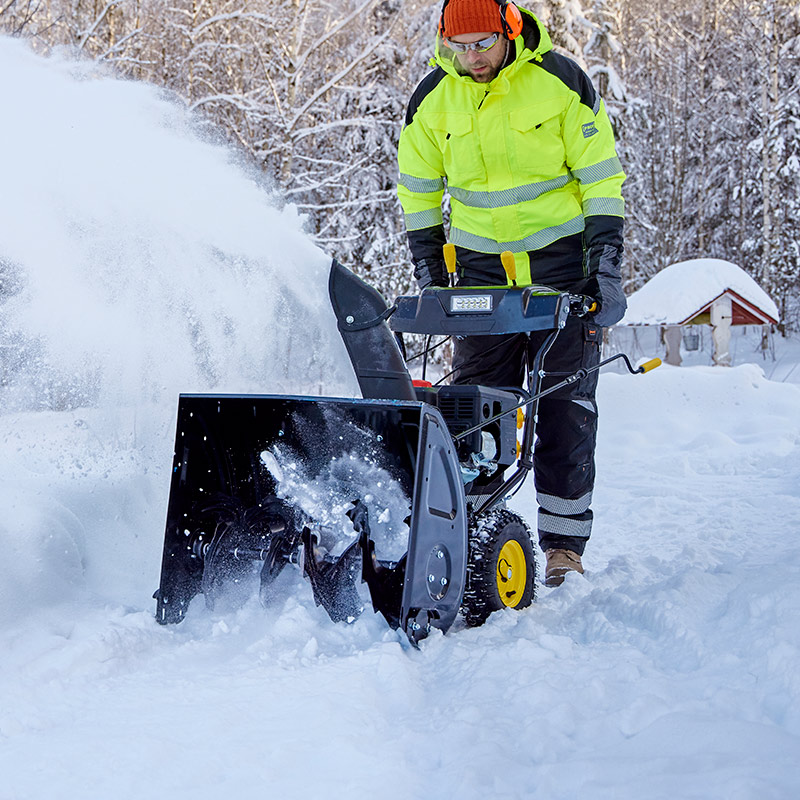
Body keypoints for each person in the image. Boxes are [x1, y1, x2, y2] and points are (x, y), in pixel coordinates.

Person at [396, 0, 627, 586]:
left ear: (509, 30)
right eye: (459, 46)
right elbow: (419, 192)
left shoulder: (560, 82)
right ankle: (470, 530)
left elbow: (601, 180)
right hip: (479, 277)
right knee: (477, 410)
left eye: (482, 44)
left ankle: (563, 548)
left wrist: (606, 269)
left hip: (563, 274)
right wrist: (429, 269)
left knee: (564, 409)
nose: (471, 59)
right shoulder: (432, 100)